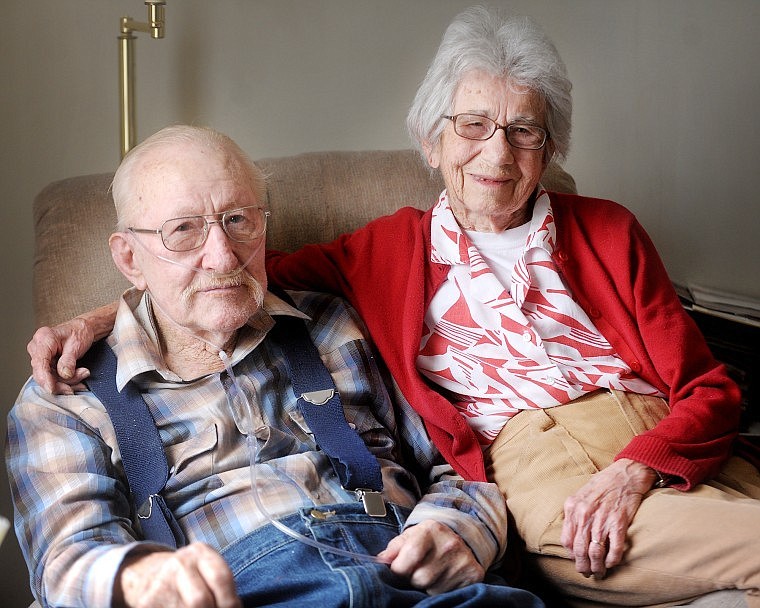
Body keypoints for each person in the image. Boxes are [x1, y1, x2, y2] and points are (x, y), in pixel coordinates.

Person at [25, 7, 760, 607]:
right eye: (472, 125)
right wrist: (98, 324)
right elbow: (216, 282)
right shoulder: (373, 260)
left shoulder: (605, 230)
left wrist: (623, 473)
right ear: (431, 141)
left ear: (549, 147)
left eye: (523, 130)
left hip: (652, 449)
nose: (497, 155)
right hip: (537, 469)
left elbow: (707, 388)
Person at [7, 125, 546, 608]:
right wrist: (141, 580)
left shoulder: (333, 324)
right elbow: (65, 562)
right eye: (184, 230)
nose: (223, 255)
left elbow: (456, 463)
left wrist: (459, 528)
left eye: (238, 220)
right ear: (130, 259)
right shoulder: (65, 392)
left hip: (403, 578)